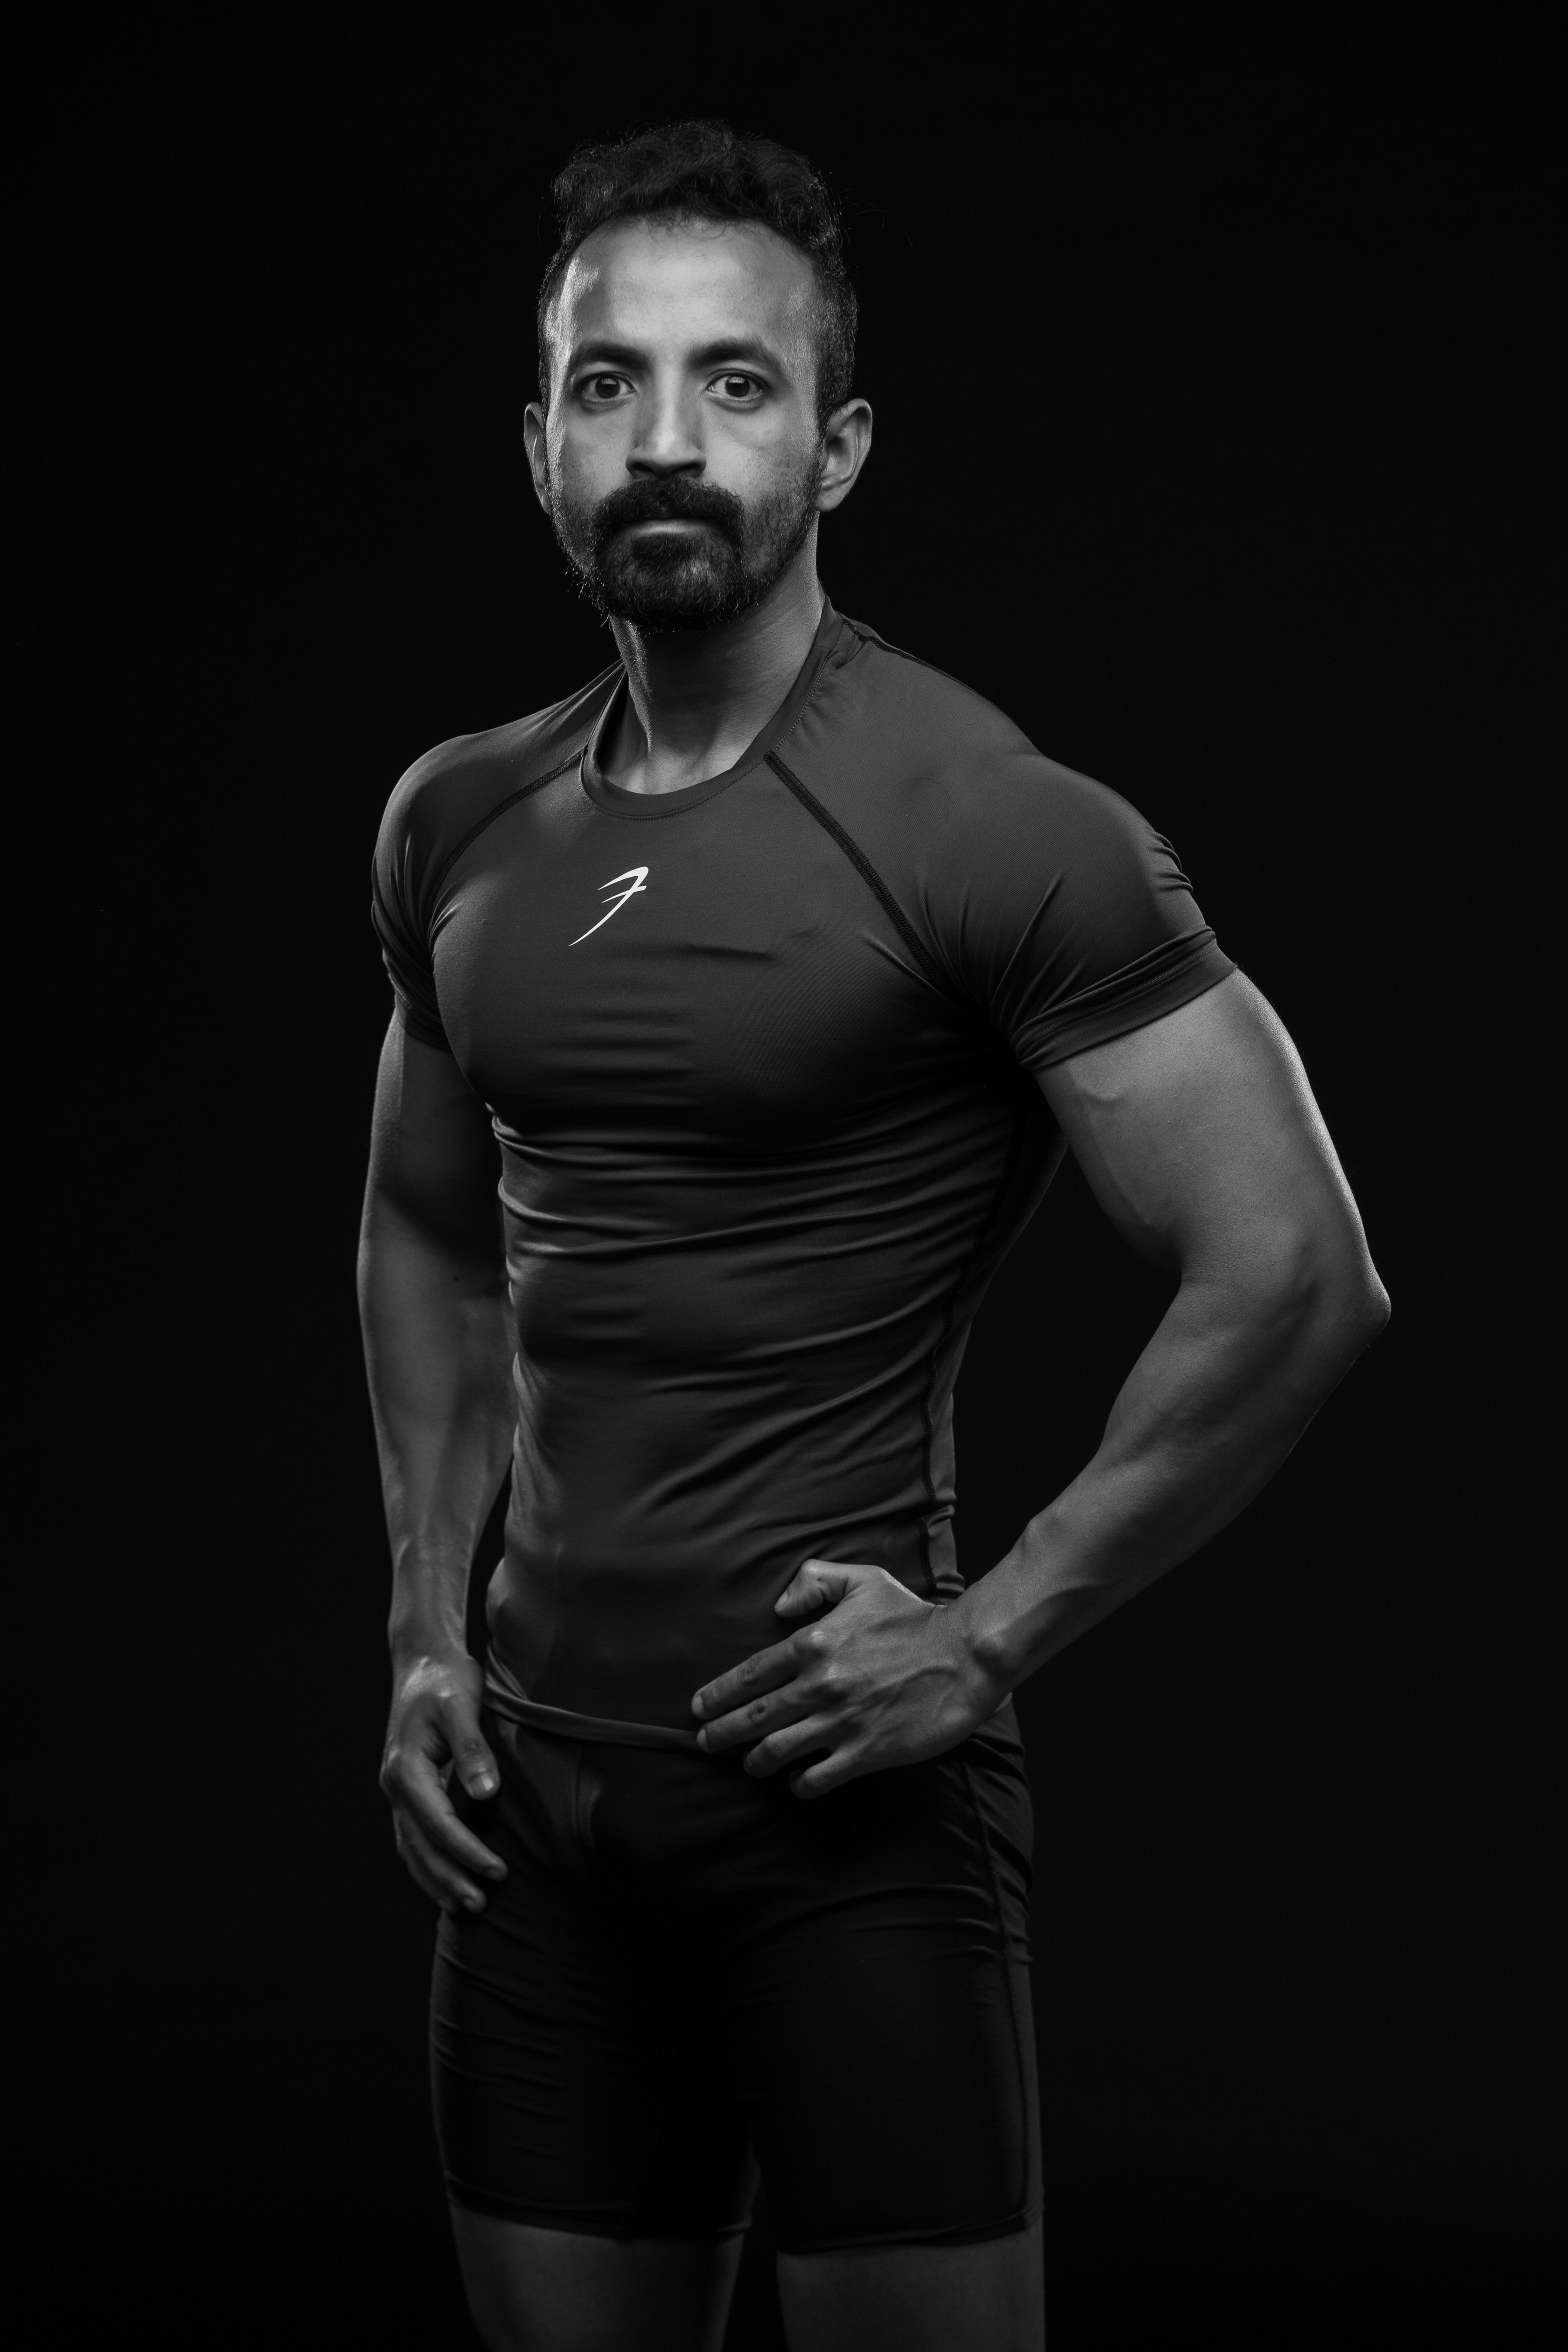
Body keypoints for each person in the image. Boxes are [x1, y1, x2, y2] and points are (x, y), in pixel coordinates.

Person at [359, 119, 1389, 2352]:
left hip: (839, 1823)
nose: (665, 438)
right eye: (610, 383)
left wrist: (991, 1634)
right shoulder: (461, 817)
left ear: (834, 448)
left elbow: (1298, 1271)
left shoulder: (985, 822)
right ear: (539, 444)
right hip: (532, 1811)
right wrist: (427, 1625)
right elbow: (429, 1233)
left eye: (734, 383)